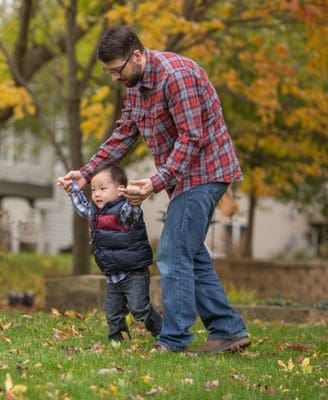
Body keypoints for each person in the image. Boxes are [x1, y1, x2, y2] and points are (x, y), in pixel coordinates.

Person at [57, 25, 250, 353]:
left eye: (117, 70)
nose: (115, 78)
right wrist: (86, 174)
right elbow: (124, 134)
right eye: (109, 72)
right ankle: (228, 329)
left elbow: (192, 137)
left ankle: (174, 341)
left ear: (137, 55)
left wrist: (156, 182)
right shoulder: (136, 85)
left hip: (206, 171)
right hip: (182, 176)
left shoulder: (177, 76)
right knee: (191, 253)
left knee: (173, 253)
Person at [63, 164, 162, 342]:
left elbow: (132, 215)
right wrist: (74, 189)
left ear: (120, 190)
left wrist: (133, 199)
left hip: (134, 272)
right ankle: (118, 339)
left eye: (102, 189)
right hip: (113, 274)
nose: (97, 194)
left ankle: (162, 331)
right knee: (112, 312)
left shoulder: (124, 209)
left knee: (139, 308)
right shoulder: (95, 212)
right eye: (93, 190)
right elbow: (82, 207)